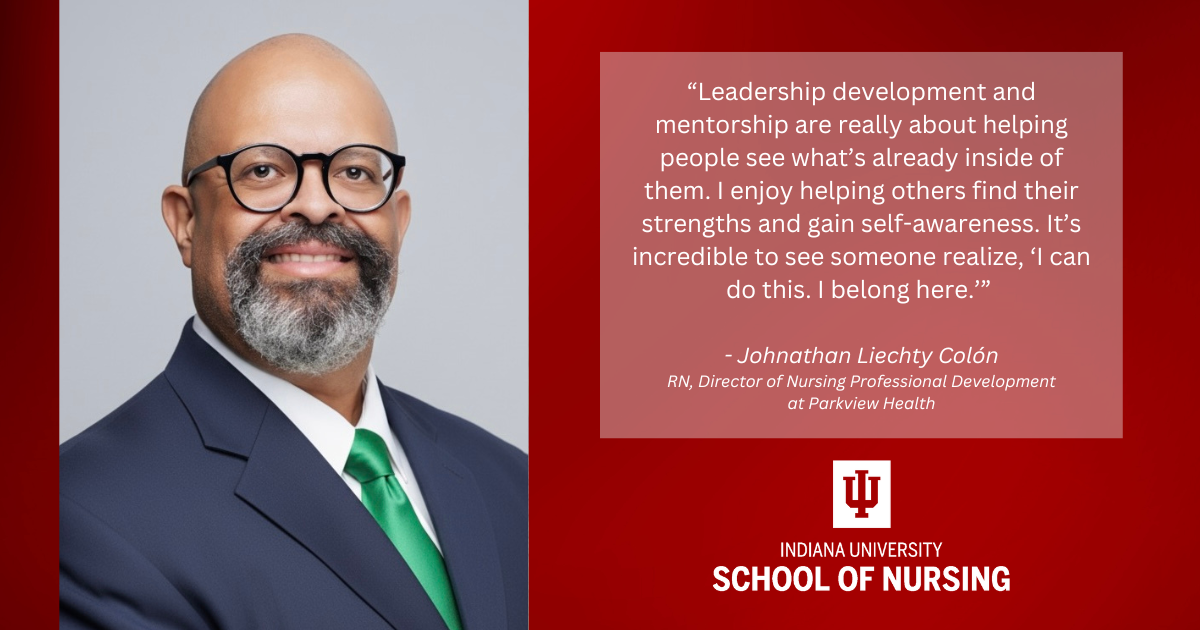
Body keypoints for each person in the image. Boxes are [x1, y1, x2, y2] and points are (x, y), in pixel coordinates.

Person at [59, 34, 527, 629]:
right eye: (262, 170)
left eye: (354, 171)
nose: (315, 204)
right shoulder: (79, 520)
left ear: (398, 221)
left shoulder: (511, 484)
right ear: (185, 222)